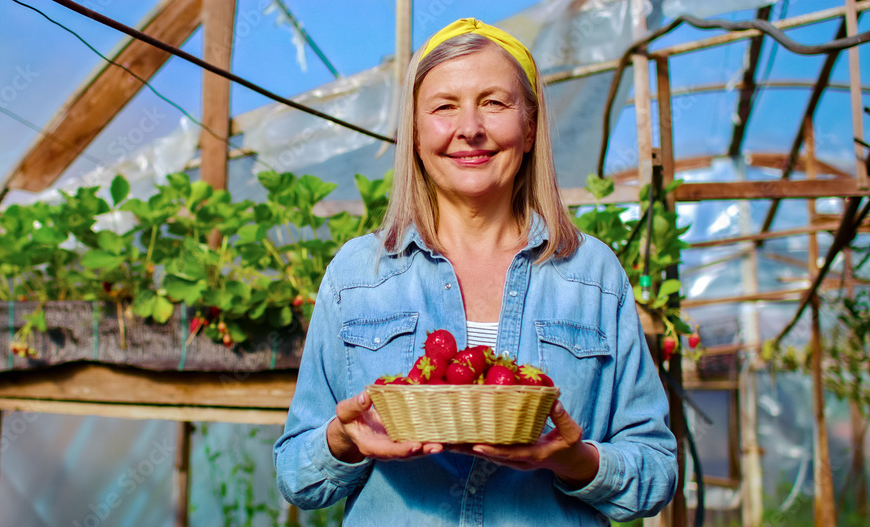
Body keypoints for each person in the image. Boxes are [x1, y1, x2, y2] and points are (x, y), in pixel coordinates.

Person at [273, 18, 677, 525]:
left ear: (529, 128)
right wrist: (342, 440)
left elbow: (656, 471)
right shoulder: (357, 274)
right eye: (444, 106)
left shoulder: (592, 274)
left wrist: (574, 460)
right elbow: (296, 474)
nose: (470, 128)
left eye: (494, 102)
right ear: (416, 135)